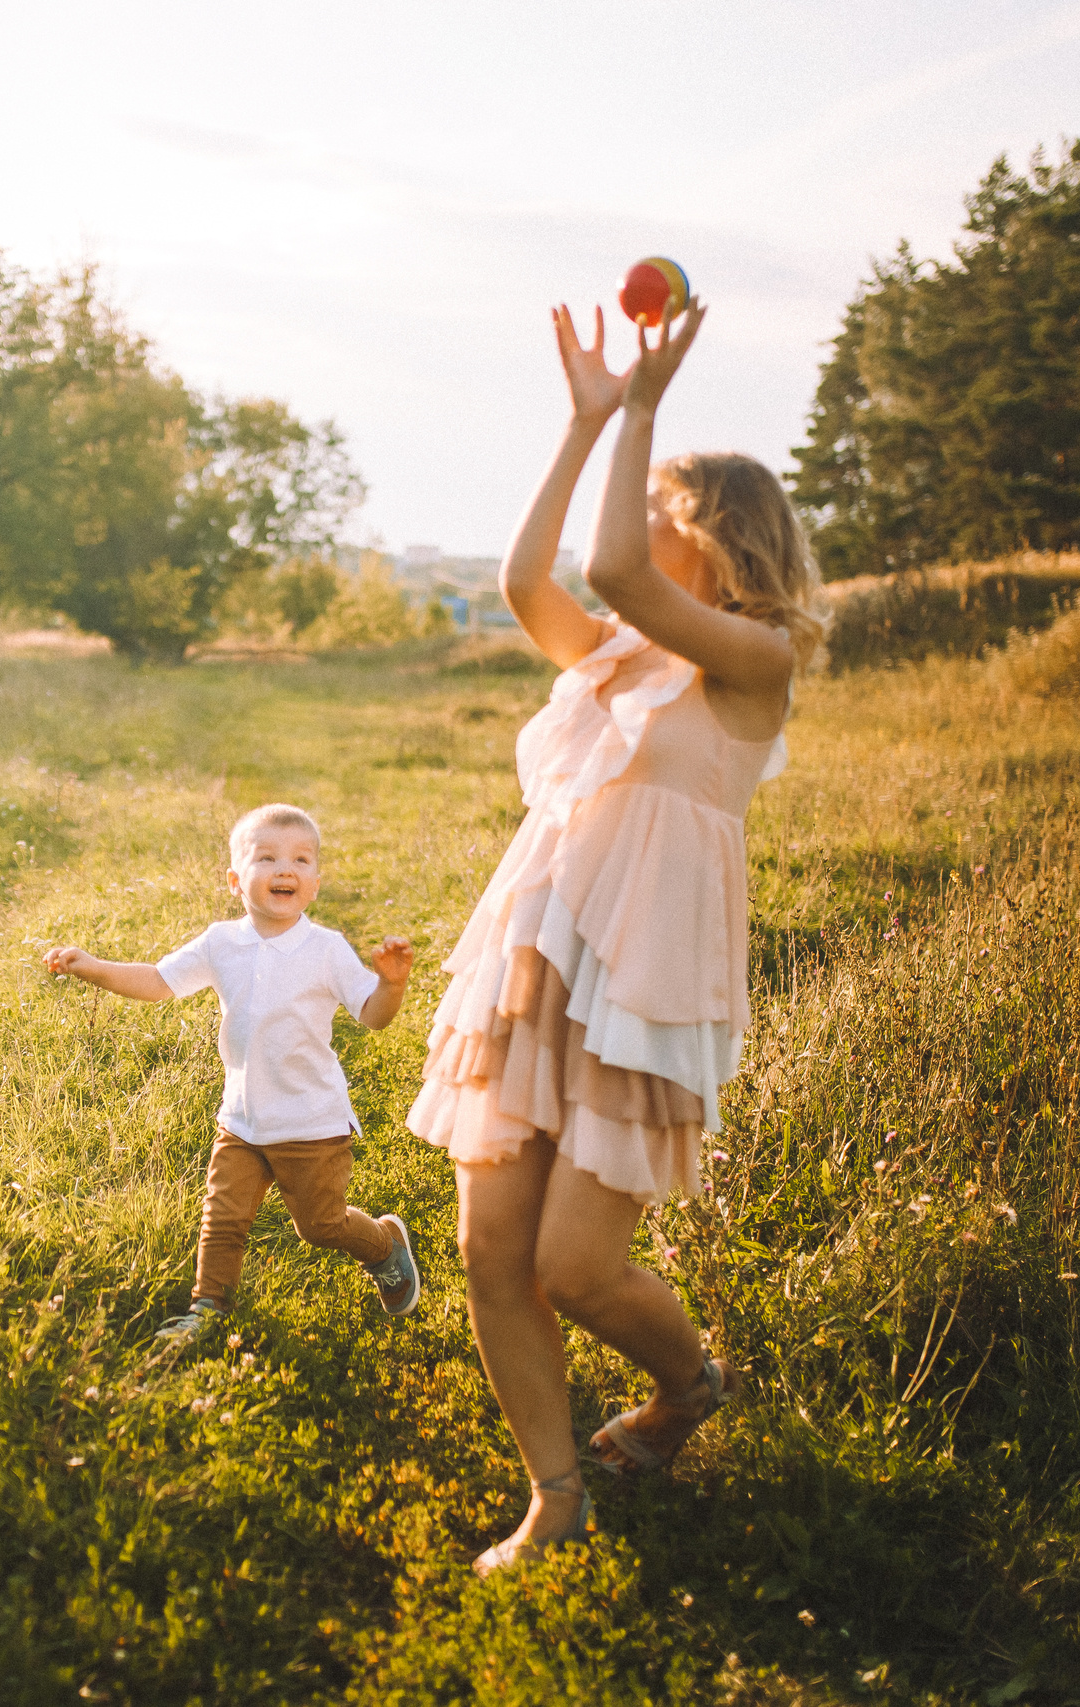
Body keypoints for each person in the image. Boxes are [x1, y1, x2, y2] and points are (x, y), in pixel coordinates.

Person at [407, 295, 826, 1571]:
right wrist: (586, 423)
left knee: (578, 1268)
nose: (635, 522)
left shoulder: (750, 662)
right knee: (492, 1255)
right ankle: (555, 1495)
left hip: (640, 981)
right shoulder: (607, 661)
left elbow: (611, 570)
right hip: (533, 958)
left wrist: (643, 405)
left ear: (715, 537)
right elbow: (529, 581)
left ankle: (692, 1383)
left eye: (656, 506)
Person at [44, 803, 425, 1352]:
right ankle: (208, 1309)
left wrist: (391, 985)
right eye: (265, 857)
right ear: (235, 880)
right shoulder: (221, 942)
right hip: (242, 1119)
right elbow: (158, 981)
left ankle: (385, 1245)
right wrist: (92, 966)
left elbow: (372, 1015)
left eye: (300, 859)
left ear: (315, 882)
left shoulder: (325, 949)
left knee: (320, 1227)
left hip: (310, 1123)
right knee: (222, 1219)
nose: (284, 869)